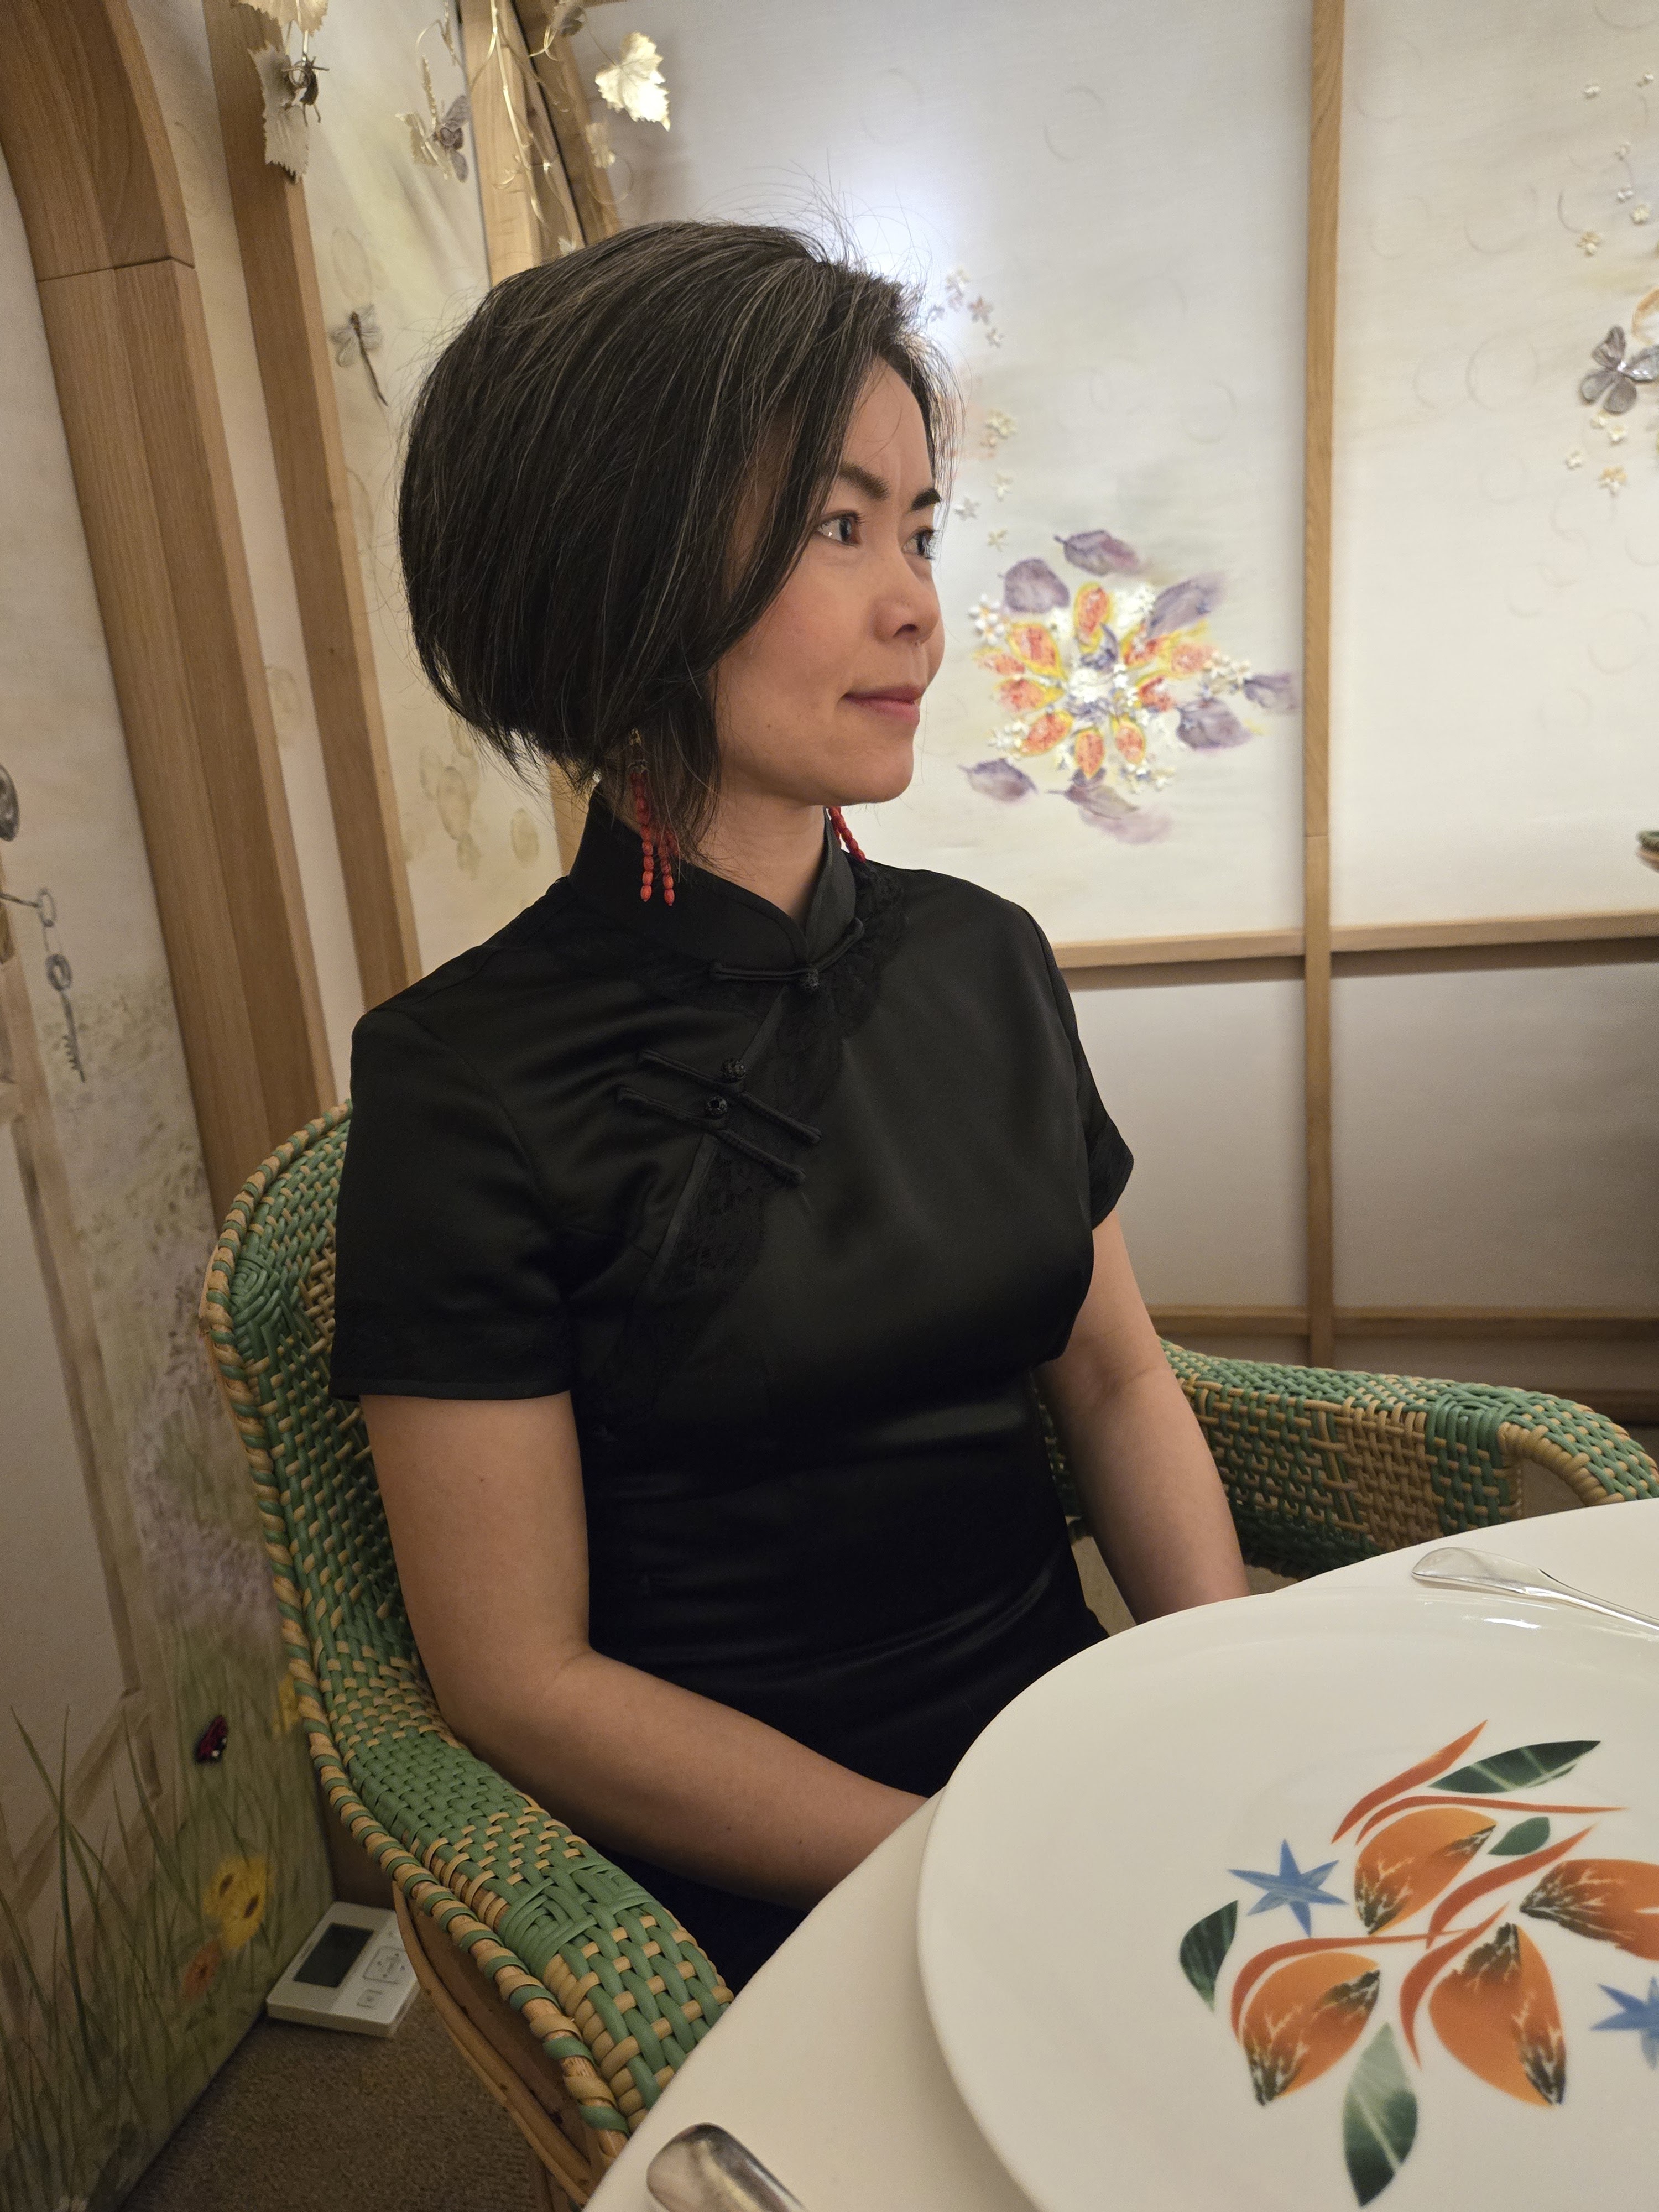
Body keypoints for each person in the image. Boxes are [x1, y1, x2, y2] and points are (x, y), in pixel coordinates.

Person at [329, 221, 1249, 1989]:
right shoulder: (462, 1082)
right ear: (623, 561)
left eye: (920, 530)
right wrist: (959, 1861)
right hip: (768, 1888)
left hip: (1074, 1765)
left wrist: (1214, 1696)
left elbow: (1117, 1377)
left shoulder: (985, 957)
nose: (919, 606)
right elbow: (519, 1682)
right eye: (840, 527)